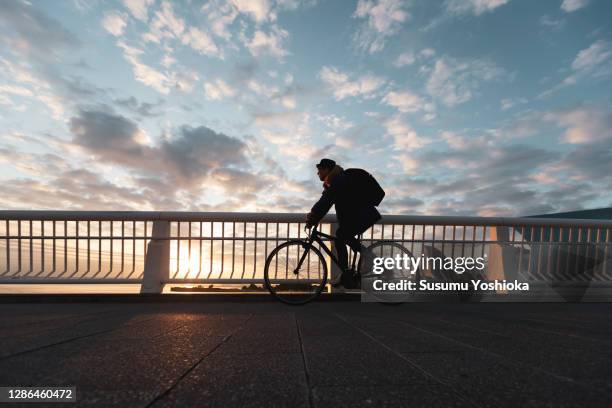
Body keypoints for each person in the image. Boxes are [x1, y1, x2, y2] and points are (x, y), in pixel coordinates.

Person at [305, 158, 382, 286]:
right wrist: (315, 217)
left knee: (342, 236)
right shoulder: (335, 181)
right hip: (360, 215)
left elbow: (326, 201)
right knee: (340, 237)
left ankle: (368, 258)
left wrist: (313, 216)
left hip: (363, 215)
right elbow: (326, 200)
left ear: (326, 169)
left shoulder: (339, 181)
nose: (318, 174)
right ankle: (345, 273)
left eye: (319, 171)